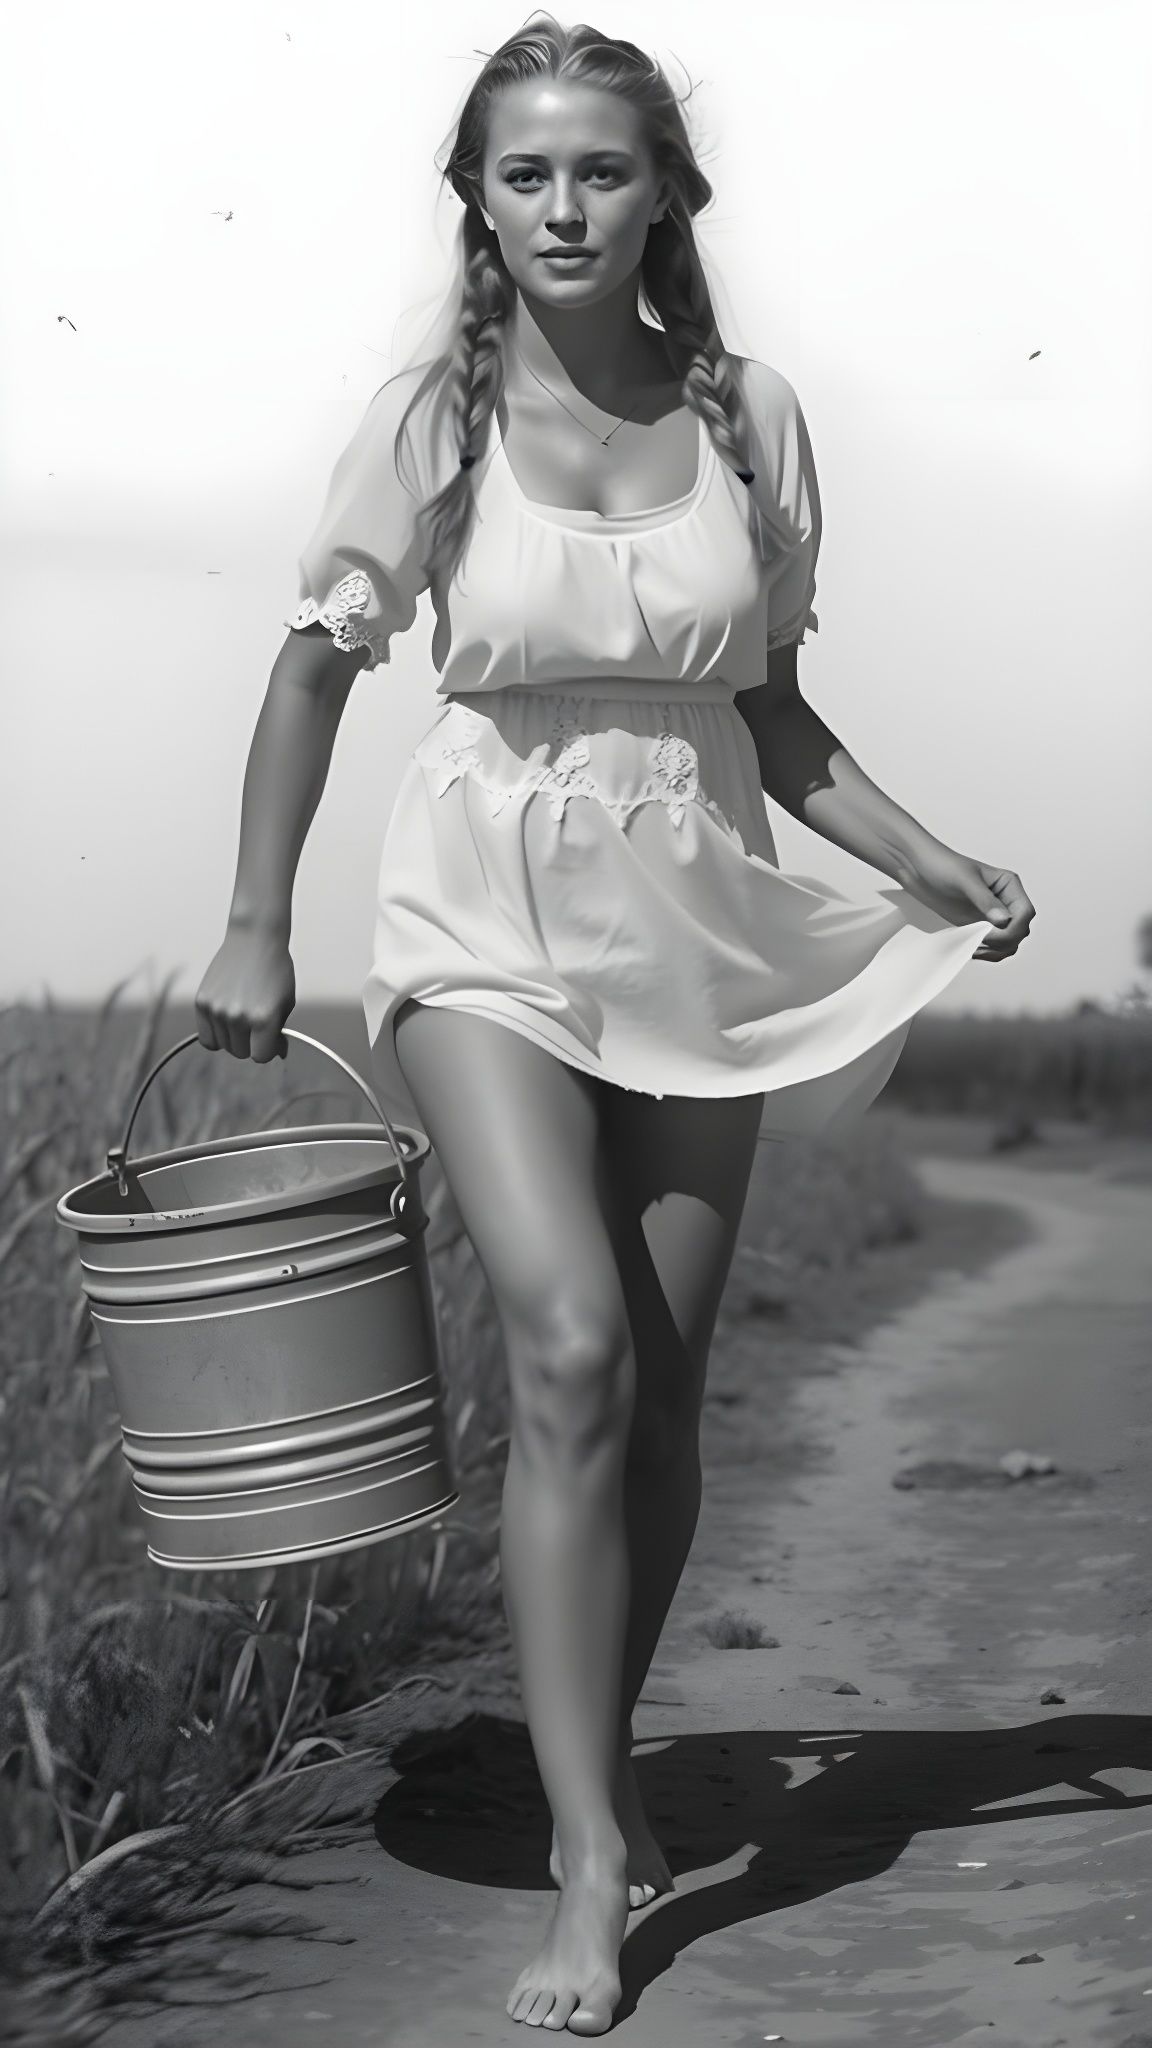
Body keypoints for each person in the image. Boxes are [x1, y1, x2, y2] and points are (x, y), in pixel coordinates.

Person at [195, 13, 1034, 2034]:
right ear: (478, 203)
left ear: (665, 190)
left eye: (600, 168)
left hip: (701, 928)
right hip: (476, 911)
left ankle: (603, 1753)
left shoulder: (755, 419)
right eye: (524, 173)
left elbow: (771, 713)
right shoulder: (434, 416)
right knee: (564, 1342)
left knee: (656, 1395)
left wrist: (929, 862)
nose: (563, 204)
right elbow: (312, 675)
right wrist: (253, 925)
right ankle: (591, 1852)